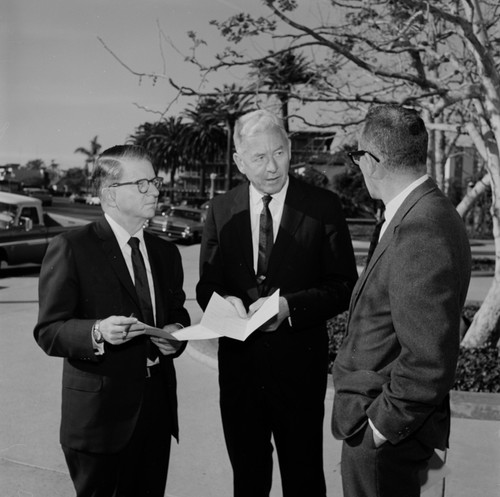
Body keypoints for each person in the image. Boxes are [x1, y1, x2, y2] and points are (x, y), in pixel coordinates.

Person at [196, 109, 358, 497]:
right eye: (259, 158)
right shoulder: (220, 210)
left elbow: (343, 285)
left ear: (289, 149)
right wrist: (228, 302)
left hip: (299, 369)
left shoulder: (323, 207)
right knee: (248, 479)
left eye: (279, 153)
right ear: (238, 161)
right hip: (239, 373)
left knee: (303, 477)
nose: (272, 167)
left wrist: (290, 307)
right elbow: (207, 285)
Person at [34, 145, 190, 497]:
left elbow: (177, 311)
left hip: (155, 411)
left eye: (155, 181)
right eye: (143, 183)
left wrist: (176, 332)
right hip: (98, 420)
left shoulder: (166, 253)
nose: (155, 191)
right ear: (110, 194)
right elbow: (49, 331)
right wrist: (97, 332)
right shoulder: (72, 247)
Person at [331, 104, 472, 497]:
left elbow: (428, 360)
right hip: (394, 433)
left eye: (358, 156)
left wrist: (377, 430)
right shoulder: (432, 210)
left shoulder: (419, 226)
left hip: (387, 441)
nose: (358, 167)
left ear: (373, 161)